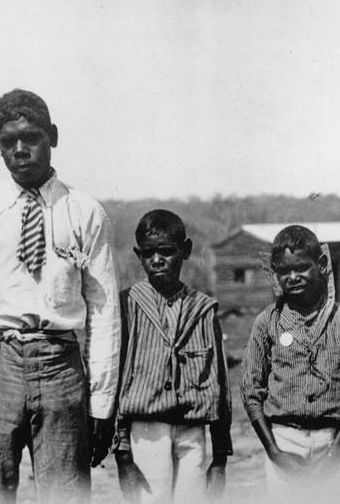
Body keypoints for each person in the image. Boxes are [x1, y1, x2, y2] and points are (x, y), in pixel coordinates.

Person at [0, 88, 120, 503]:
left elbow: (104, 313)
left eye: (31, 137)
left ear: (53, 137)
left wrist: (101, 407)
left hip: (59, 363)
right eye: (8, 141)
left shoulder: (83, 211)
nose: (20, 149)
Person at [240, 225, 340, 500]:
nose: (293, 277)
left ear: (321, 265)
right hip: (283, 439)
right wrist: (274, 452)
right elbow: (251, 392)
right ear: (275, 274)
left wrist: (337, 451)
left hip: (332, 441)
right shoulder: (268, 322)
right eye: (284, 271)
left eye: (301, 267)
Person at [114, 209, 232, 503]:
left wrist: (220, 457)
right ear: (138, 255)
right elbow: (115, 377)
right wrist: (122, 452)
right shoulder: (128, 305)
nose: (157, 260)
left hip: (193, 431)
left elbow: (220, 381)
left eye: (166, 251)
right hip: (146, 430)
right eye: (148, 253)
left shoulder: (203, 309)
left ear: (186, 250)